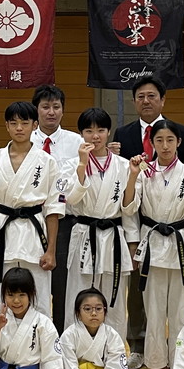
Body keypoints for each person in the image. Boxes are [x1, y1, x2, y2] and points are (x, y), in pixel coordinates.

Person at [113, 77, 184, 365]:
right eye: (141, 96)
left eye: (152, 96)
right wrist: (133, 240)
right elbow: (125, 187)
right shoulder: (123, 134)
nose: (146, 101)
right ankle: (139, 346)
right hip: (140, 226)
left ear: (162, 100)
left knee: (176, 305)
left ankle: (178, 358)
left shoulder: (183, 133)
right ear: (134, 101)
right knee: (141, 295)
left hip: (176, 224)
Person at [122, 119, 184, 369]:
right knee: (155, 312)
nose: (165, 145)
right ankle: (159, 365)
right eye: (159, 140)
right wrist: (132, 176)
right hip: (151, 247)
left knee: (180, 313)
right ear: (151, 143)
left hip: (180, 248)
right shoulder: (144, 173)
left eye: (170, 140)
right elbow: (129, 209)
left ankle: (179, 365)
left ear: (179, 142)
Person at [0, 101, 63, 320]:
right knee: (0, 298)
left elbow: (53, 209)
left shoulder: (47, 161)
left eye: (24, 123)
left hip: (35, 235)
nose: (19, 128)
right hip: (4, 235)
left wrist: (51, 250)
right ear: (6, 126)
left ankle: (40, 342)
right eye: (13, 123)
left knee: (39, 297)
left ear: (34, 125)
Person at [63, 107, 131, 338]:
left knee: (114, 299)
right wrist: (82, 165)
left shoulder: (123, 165)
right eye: (89, 131)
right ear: (81, 134)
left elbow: (130, 209)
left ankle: (113, 350)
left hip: (113, 235)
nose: (95, 136)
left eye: (100, 130)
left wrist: (133, 243)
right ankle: (75, 349)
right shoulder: (71, 164)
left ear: (109, 132)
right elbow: (70, 199)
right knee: (79, 293)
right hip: (85, 232)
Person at [31, 84, 84, 330]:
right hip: (33, 221)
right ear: (37, 110)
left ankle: (63, 337)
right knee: (34, 281)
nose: (51, 112)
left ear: (63, 110)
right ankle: (35, 335)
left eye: (56, 107)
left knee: (62, 285)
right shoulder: (25, 140)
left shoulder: (77, 142)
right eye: (45, 107)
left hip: (65, 223)